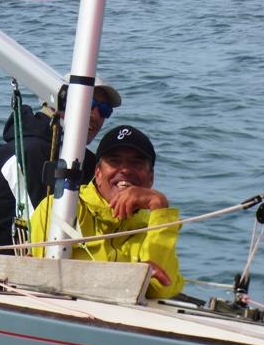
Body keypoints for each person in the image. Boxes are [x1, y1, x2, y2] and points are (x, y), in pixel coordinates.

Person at [0, 81, 121, 252]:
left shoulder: (73, 157)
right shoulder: (31, 152)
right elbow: (54, 230)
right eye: (89, 103)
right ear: (59, 104)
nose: (96, 115)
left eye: (104, 110)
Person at [30, 125, 184, 299]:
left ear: (151, 177)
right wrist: (132, 277)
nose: (125, 169)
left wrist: (160, 205)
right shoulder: (63, 206)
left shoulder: (153, 223)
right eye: (115, 161)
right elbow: (44, 276)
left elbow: (163, 288)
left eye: (136, 163)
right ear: (98, 173)